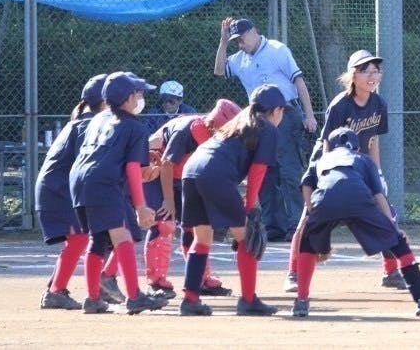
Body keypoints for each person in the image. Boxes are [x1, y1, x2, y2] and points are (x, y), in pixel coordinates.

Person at [291, 127, 420, 318]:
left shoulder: (321, 160)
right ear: (356, 148)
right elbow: (378, 195)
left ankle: (301, 302)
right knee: (398, 243)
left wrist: (312, 214)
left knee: (308, 242)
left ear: (331, 147)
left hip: (325, 200)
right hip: (358, 198)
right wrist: (393, 227)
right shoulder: (363, 159)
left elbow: (306, 185)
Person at [179, 83, 288, 317]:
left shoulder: (238, 122)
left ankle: (190, 300)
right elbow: (258, 169)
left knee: (202, 238)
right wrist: (249, 207)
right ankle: (248, 300)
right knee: (247, 237)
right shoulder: (268, 128)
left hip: (192, 170)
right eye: (283, 111)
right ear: (276, 110)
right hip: (214, 174)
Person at [68, 71, 168, 315]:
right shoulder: (135, 127)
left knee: (98, 238)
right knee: (122, 236)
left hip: (79, 180)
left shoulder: (98, 119)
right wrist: (141, 206)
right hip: (104, 183)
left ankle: (93, 298)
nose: (141, 98)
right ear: (128, 97)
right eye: (139, 93)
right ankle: (134, 297)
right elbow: (132, 167)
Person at [215, 17, 317, 242]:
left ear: (254, 31)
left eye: (242, 38)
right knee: (265, 170)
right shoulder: (240, 58)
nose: (240, 44)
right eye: (236, 41)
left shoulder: (277, 50)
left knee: (288, 169)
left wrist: (309, 115)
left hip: (285, 113)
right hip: (259, 119)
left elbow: (299, 82)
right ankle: (274, 226)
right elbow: (220, 70)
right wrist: (223, 42)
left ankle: (296, 224)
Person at [313, 49, 407, 289]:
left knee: (387, 215)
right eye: (365, 71)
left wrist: (378, 173)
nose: (372, 76)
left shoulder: (379, 103)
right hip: (331, 164)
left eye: (376, 71)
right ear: (353, 76)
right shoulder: (340, 105)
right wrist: (326, 175)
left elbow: (372, 140)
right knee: (309, 219)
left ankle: (391, 272)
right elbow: (326, 143)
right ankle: (294, 272)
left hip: (361, 167)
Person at [143, 99, 241, 298]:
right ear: (214, 124)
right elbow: (166, 164)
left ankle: (200, 279)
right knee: (164, 224)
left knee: (196, 225)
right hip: (155, 171)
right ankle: (156, 282)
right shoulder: (187, 131)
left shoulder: (220, 137)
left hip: (182, 176)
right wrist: (168, 201)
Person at [34, 74, 107, 309]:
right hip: (59, 188)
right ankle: (55, 292)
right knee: (80, 238)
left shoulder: (87, 121)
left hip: (59, 186)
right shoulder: (88, 125)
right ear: (105, 102)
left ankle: (57, 288)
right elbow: (87, 163)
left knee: (81, 238)